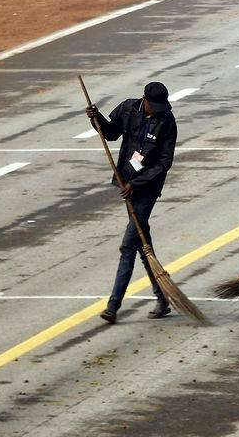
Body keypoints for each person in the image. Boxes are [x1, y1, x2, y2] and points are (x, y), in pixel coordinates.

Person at [84, 82, 178, 324]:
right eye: (153, 105)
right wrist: (97, 119)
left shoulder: (167, 122)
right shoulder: (128, 109)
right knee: (141, 242)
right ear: (144, 99)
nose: (157, 110)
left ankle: (113, 306)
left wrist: (137, 184)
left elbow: (164, 162)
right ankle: (162, 297)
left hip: (146, 187)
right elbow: (111, 133)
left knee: (128, 245)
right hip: (127, 182)